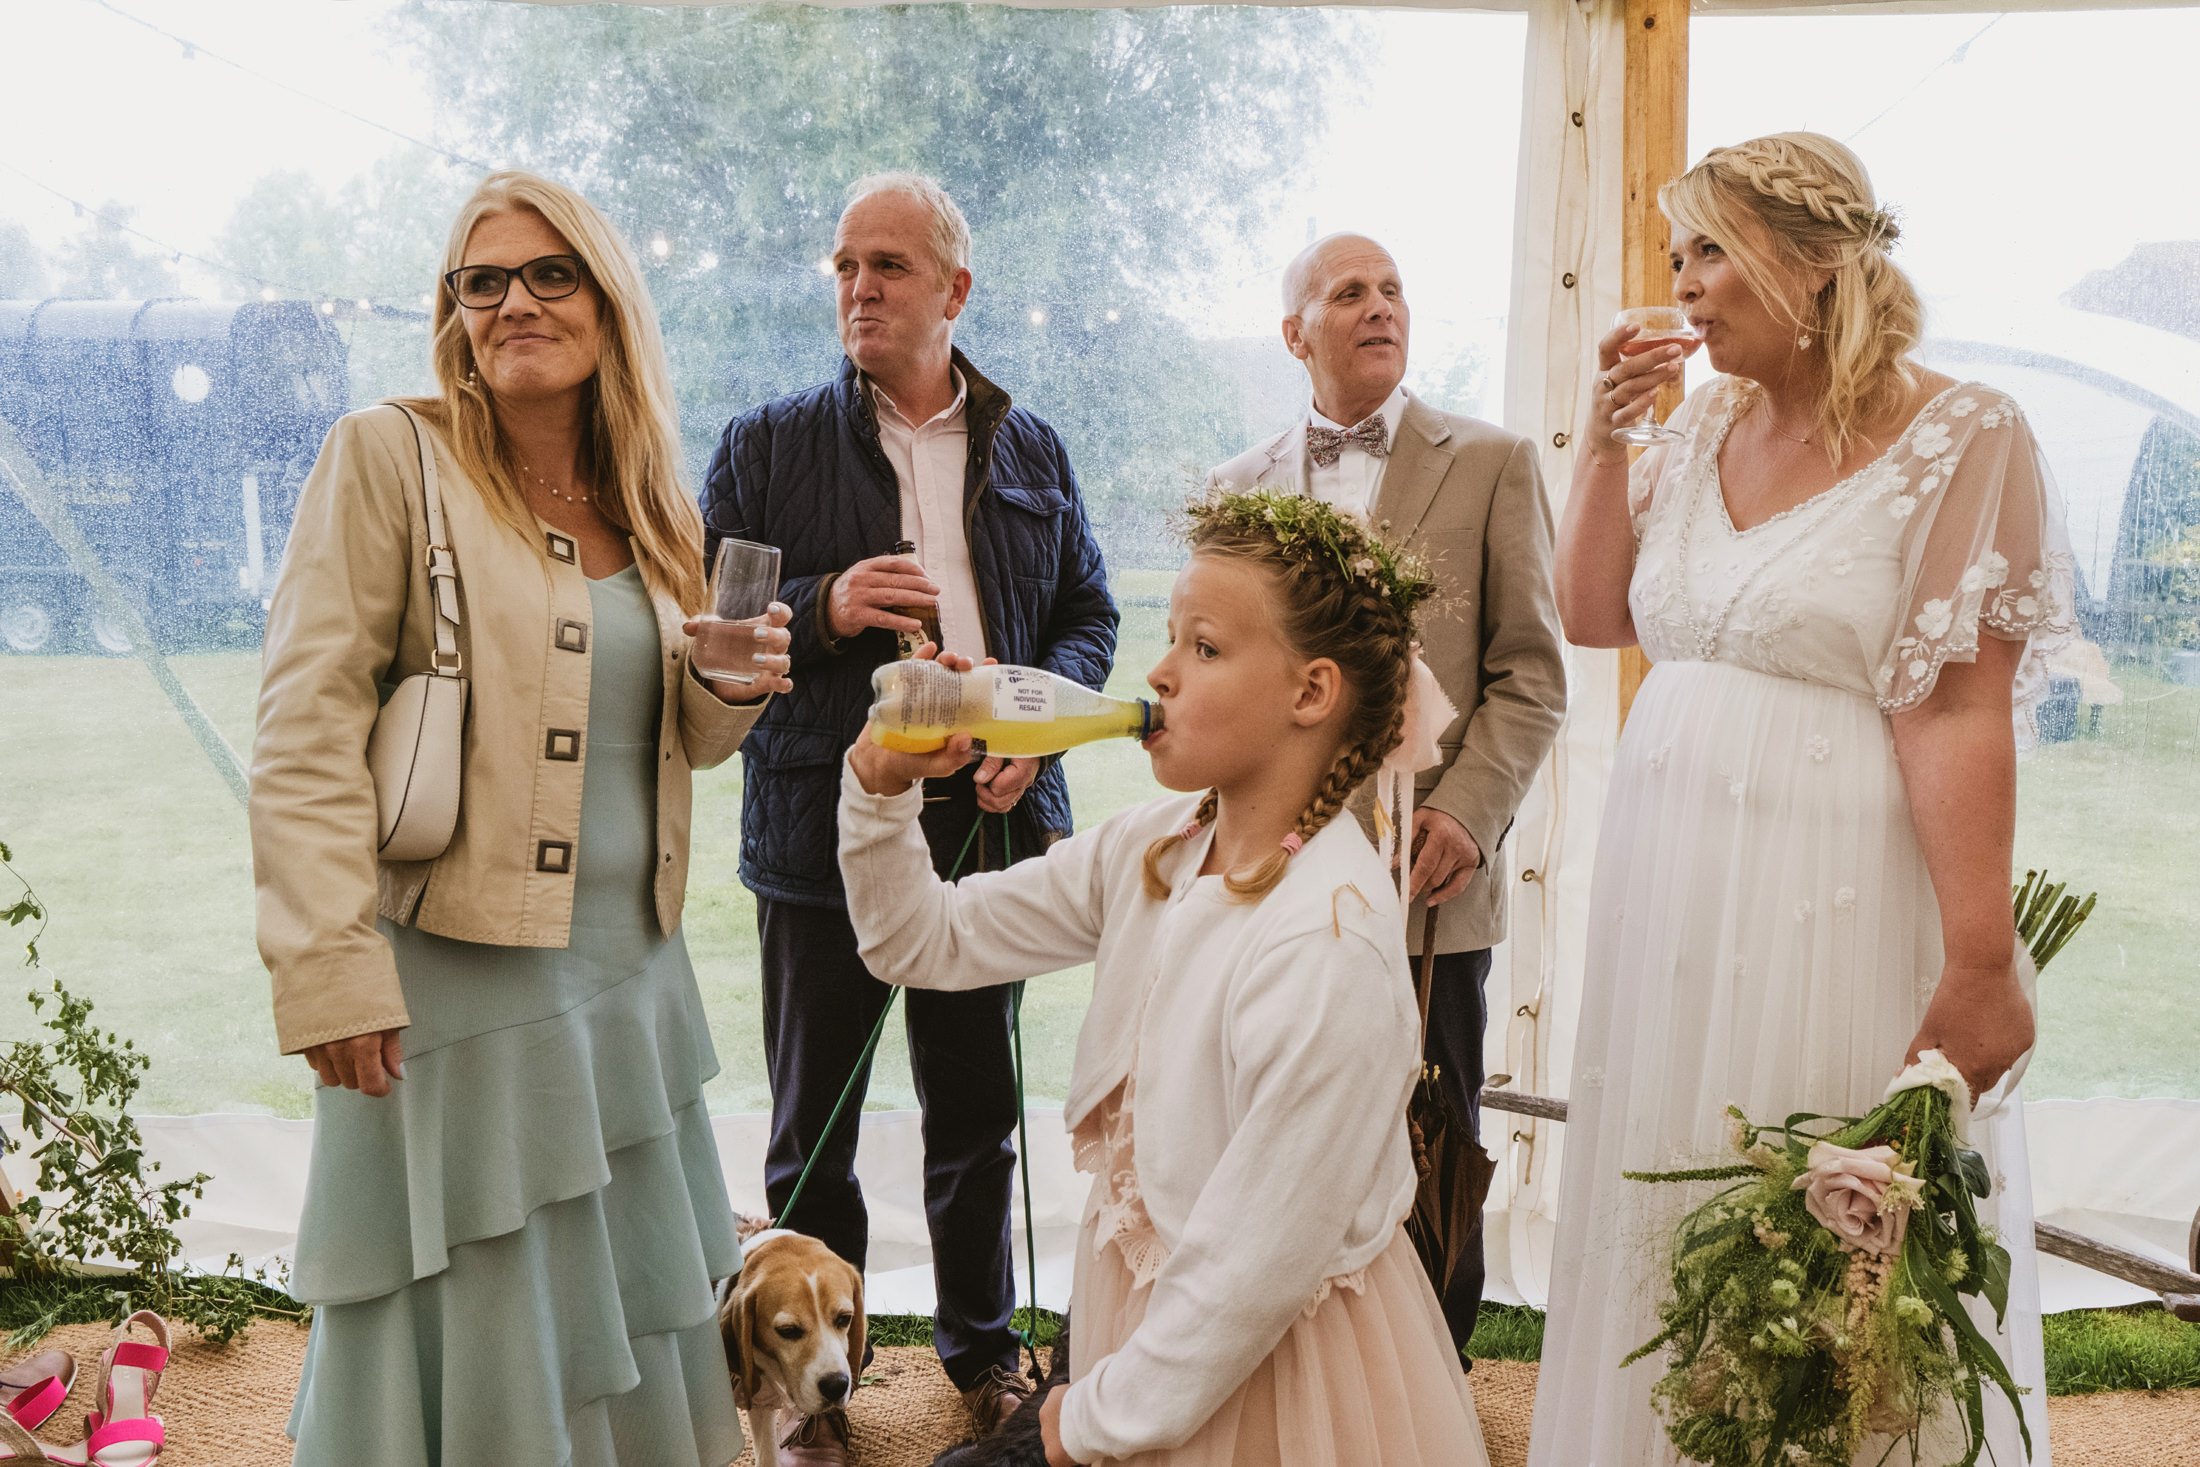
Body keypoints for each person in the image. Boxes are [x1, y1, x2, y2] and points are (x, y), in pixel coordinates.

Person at [1533, 131, 2068, 1465]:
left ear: (1813, 263)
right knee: (1667, 1184)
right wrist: (1605, 439)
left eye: (1710, 250)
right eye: (1678, 255)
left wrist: (1981, 955)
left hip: (1832, 890)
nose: (1684, 284)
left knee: (1828, 1233)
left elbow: (1955, 704)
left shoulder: (1968, 432)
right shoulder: (1699, 418)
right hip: (1669, 881)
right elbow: (1593, 612)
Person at [253, 170, 793, 1467]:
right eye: (480, 280)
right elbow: (307, 723)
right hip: (456, 997)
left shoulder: (654, 499)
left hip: (632, 990)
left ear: (607, 304)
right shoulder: (390, 453)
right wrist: (327, 963)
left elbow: (675, 745)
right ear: (454, 312)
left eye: (549, 273)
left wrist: (726, 683)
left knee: (622, 1341)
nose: (512, 301)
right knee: (478, 1352)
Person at [841, 488, 1489, 1467]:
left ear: (1311, 693)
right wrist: (881, 790)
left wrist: (1064, 1428)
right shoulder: (1157, 847)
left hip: (1267, 1377)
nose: (1156, 672)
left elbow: (1239, 1285)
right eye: (1168, 637)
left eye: (1205, 648)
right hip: (1145, 1344)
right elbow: (919, 943)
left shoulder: (1327, 944)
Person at [698, 172, 1117, 1460]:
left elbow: (1085, 624)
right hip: (826, 832)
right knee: (811, 1122)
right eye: (843, 266)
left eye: (886, 265)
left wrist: (1027, 736)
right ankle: (808, 1390)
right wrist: (824, 608)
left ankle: (986, 1356)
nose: (858, 288)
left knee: (976, 1114)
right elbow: (714, 641)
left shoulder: (1033, 446)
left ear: (954, 290)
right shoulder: (764, 444)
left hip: (990, 833)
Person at [1204, 232, 1567, 1353]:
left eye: (1393, 289)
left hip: (1430, 885)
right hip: (1273, 887)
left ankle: (1428, 1380)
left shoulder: (1495, 462)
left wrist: (1466, 814)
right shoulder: (1236, 489)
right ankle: (1287, 1362)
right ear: (1294, 331)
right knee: (1272, 1121)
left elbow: (1532, 674)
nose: (1378, 307)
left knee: (1430, 1127)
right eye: (1348, 291)